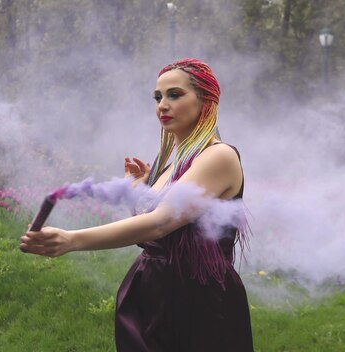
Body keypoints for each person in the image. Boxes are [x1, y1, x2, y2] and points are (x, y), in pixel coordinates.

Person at [20, 58, 254, 352]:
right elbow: (155, 227)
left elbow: (160, 224)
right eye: (158, 97)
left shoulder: (218, 156)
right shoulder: (169, 166)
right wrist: (139, 189)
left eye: (175, 94)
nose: (162, 105)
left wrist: (72, 239)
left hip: (197, 301)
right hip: (153, 293)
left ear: (206, 100)